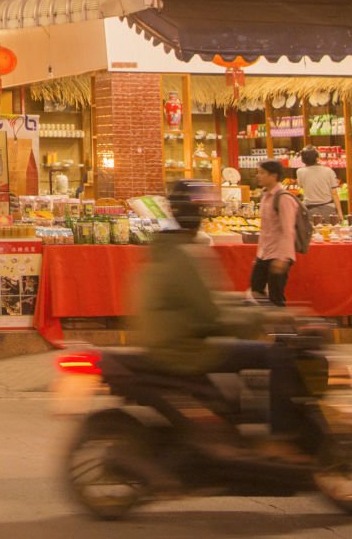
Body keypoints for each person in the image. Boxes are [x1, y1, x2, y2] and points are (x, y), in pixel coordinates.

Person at [133, 180, 310, 455]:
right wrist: (261, 319)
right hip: (186, 349)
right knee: (276, 356)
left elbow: (206, 300)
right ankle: (280, 437)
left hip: (176, 340)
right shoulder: (184, 254)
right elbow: (211, 315)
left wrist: (247, 304)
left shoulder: (170, 248)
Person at [252, 159, 298, 308]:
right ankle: (268, 324)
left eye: (262, 173)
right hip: (264, 254)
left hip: (278, 255)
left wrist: (283, 258)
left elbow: (288, 229)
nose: (258, 176)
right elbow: (265, 229)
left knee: (276, 297)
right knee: (256, 291)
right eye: (258, 173)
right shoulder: (265, 196)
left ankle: (284, 330)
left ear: (274, 176)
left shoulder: (283, 198)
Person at [297, 147, 343, 224]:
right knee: (329, 233)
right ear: (317, 158)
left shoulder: (300, 172)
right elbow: (334, 193)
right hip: (328, 209)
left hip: (309, 209)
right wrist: (340, 213)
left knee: (314, 234)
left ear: (303, 160)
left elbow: (301, 186)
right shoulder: (328, 171)